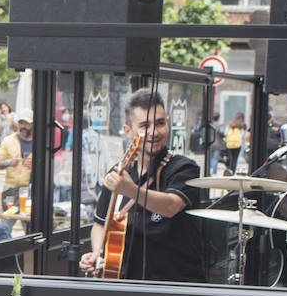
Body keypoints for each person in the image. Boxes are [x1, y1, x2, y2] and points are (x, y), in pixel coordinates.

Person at [79, 88, 206, 283]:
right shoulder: (118, 173)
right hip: (128, 284)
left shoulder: (184, 168)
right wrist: (97, 254)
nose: (154, 132)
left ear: (169, 124)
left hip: (177, 285)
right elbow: (99, 223)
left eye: (160, 123)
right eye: (145, 125)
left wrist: (131, 190)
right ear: (128, 130)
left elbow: (171, 206)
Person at [0, 109, 34, 202]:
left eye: (27, 123)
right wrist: (8, 163)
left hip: (31, 190)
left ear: (33, 124)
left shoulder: (40, 143)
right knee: (8, 216)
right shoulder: (9, 140)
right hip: (10, 189)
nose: (23, 126)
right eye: (21, 123)